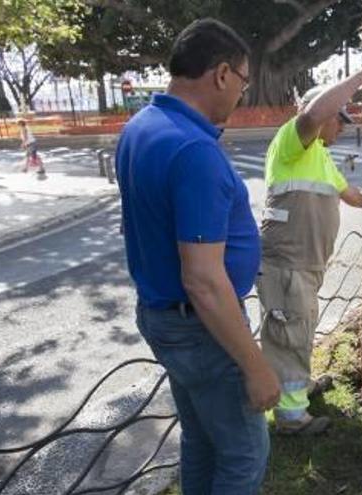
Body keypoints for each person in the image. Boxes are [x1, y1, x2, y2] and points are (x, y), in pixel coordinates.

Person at [115, 18, 280, 494]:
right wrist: (256, 366)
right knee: (245, 453)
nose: (242, 94)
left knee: (204, 440)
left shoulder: (141, 127)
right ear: (223, 74)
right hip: (201, 327)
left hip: (164, 317)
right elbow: (204, 282)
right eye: (245, 81)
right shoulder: (192, 150)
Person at [258, 51, 362, 435]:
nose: (344, 128)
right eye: (340, 119)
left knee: (299, 328)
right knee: (288, 334)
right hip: (288, 263)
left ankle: (299, 389)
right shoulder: (291, 141)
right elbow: (314, 115)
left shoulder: (320, 158)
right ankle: (291, 417)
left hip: (306, 265)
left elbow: (350, 195)